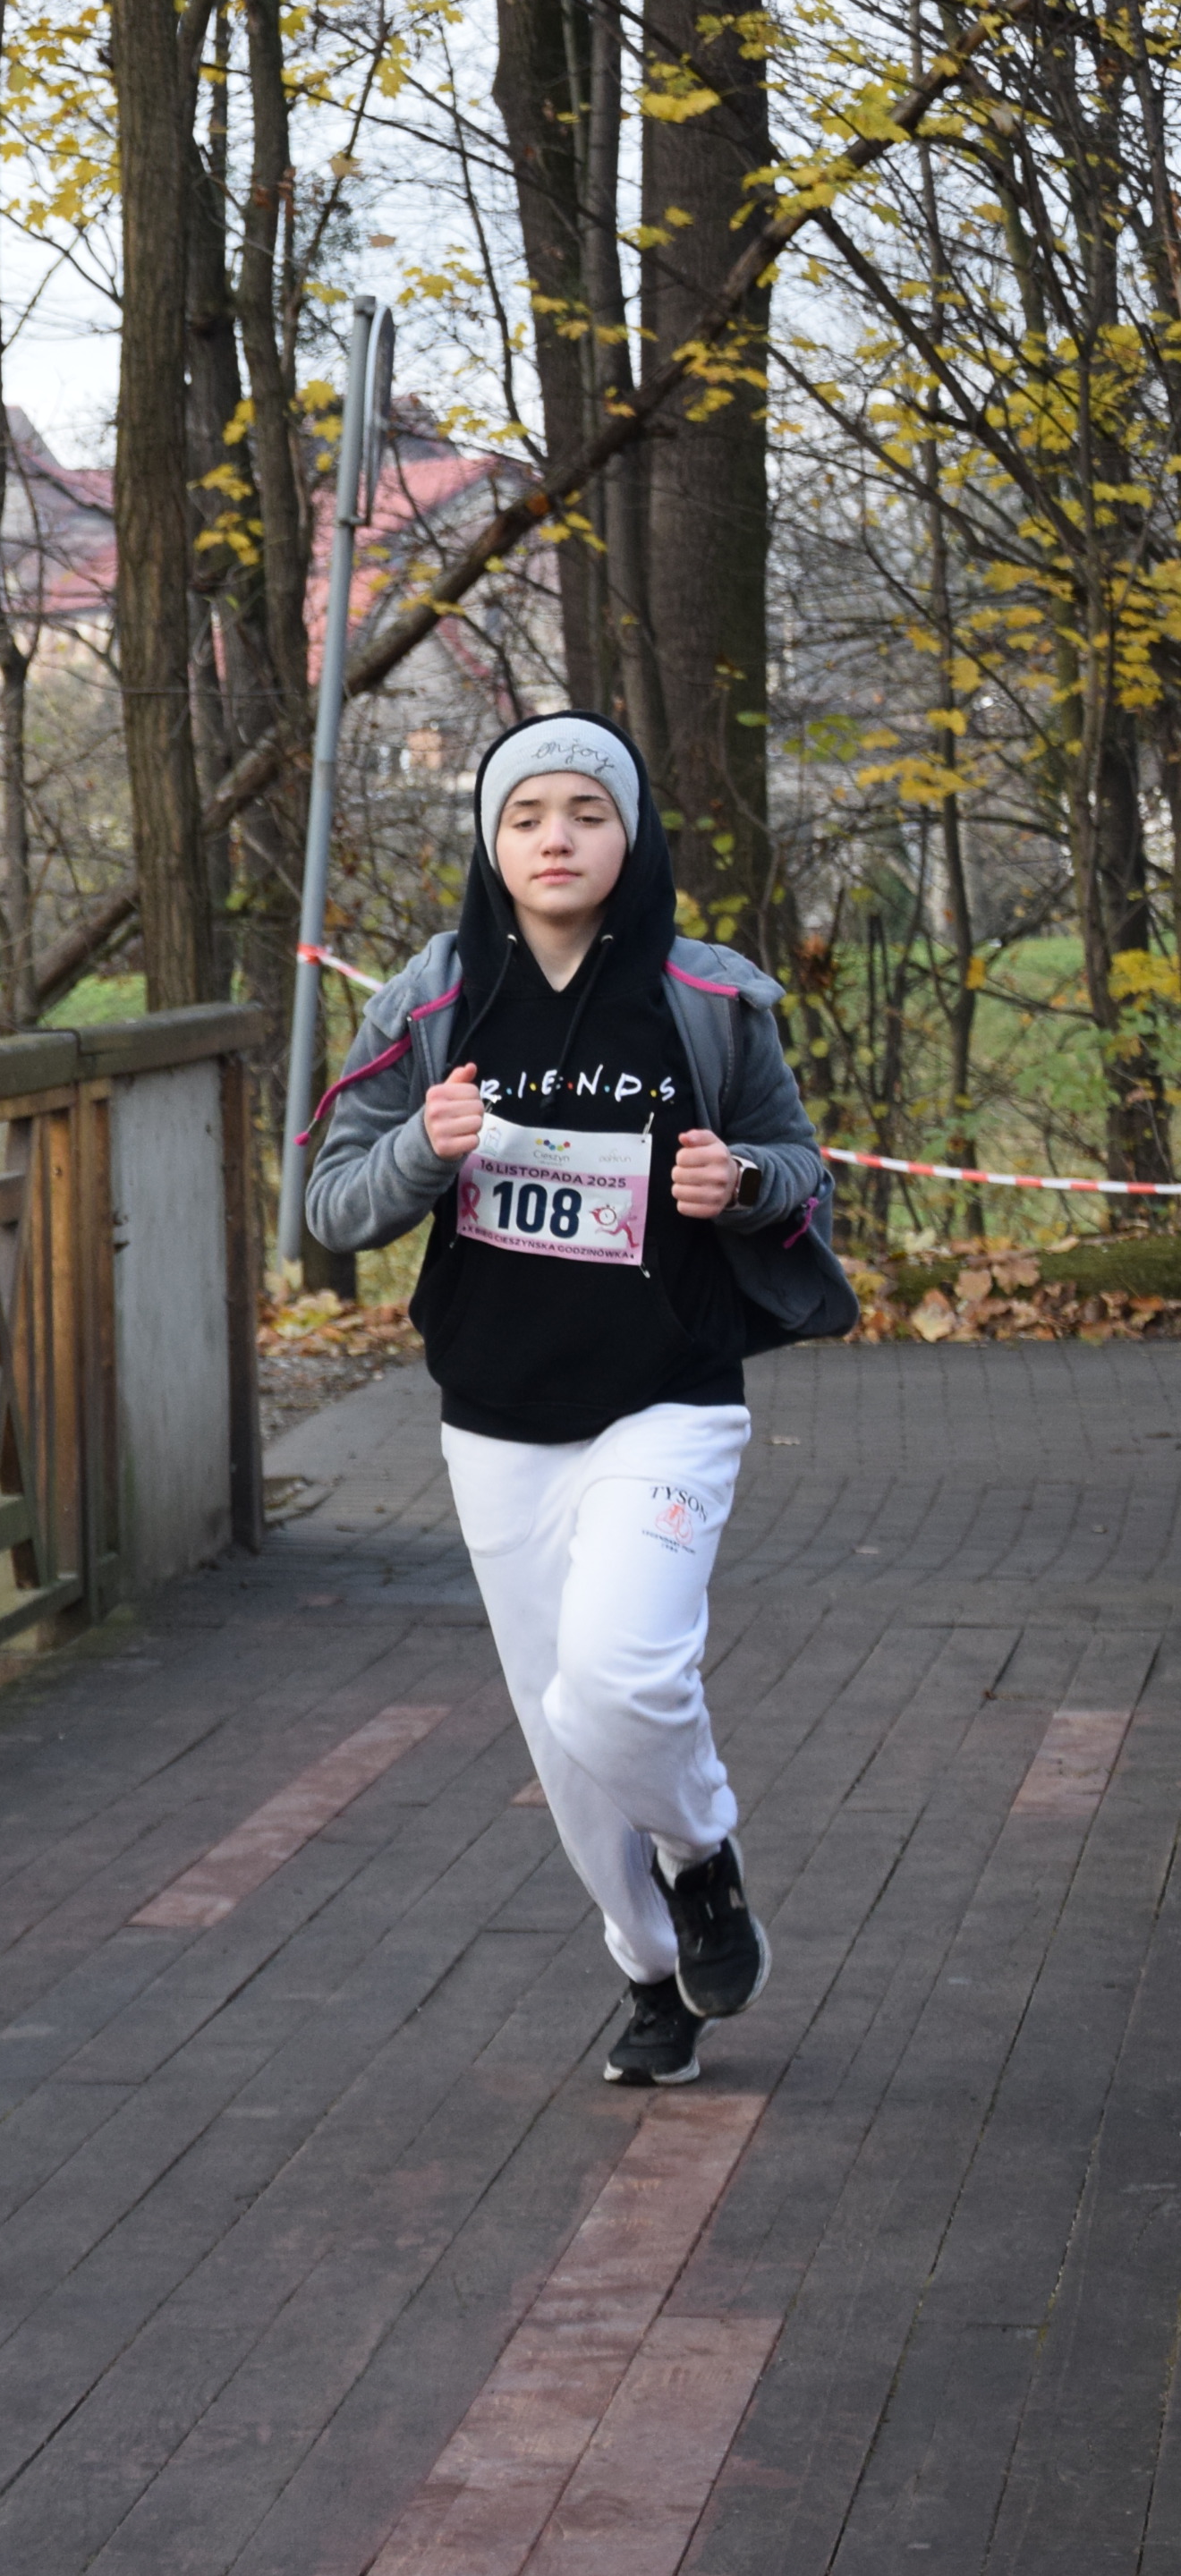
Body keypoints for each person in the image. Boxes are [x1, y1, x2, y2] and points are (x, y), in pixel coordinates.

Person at [302, 712, 854, 2088]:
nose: (557, 838)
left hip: (670, 1393)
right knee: (566, 1736)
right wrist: (423, 1155)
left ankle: (703, 1859)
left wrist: (746, 1183)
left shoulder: (706, 995)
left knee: (621, 1679)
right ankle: (654, 1971)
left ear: (631, 833)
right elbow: (329, 1204)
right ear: (492, 840)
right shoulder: (432, 1001)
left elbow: (802, 1169)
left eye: (588, 814)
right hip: (496, 1415)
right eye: (528, 815)